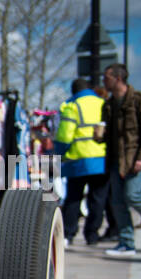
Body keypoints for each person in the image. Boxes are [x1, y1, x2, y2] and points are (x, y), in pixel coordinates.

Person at [100, 63, 141, 257]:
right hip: (115, 160)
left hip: (136, 159)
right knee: (118, 202)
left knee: (132, 194)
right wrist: (99, 136)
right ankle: (127, 243)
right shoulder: (109, 105)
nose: (104, 81)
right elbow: (110, 135)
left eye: (107, 78)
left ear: (118, 78)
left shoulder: (140, 100)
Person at [54, 77, 108, 247]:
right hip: (101, 159)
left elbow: (64, 136)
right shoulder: (102, 103)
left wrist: (60, 154)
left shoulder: (72, 106)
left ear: (73, 91)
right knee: (97, 199)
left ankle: (69, 234)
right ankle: (92, 235)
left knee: (73, 198)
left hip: (77, 160)